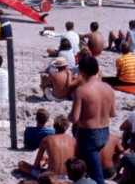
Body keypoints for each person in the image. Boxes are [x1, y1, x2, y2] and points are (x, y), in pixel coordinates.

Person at [68, 56, 117, 184]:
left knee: (96, 175)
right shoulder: (108, 88)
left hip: (89, 135)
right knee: (92, 168)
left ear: (83, 71)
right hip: (105, 132)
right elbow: (113, 113)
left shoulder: (81, 91)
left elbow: (74, 118)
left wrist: (69, 116)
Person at [17, 115, 77, 181]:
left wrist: (42, 162)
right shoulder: (73, 140)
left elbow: (36, 165)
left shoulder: (46, 140)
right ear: (67, 127)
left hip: (50, 178)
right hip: (68, 178)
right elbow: (75, 161)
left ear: (54, 126)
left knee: (21, 164)